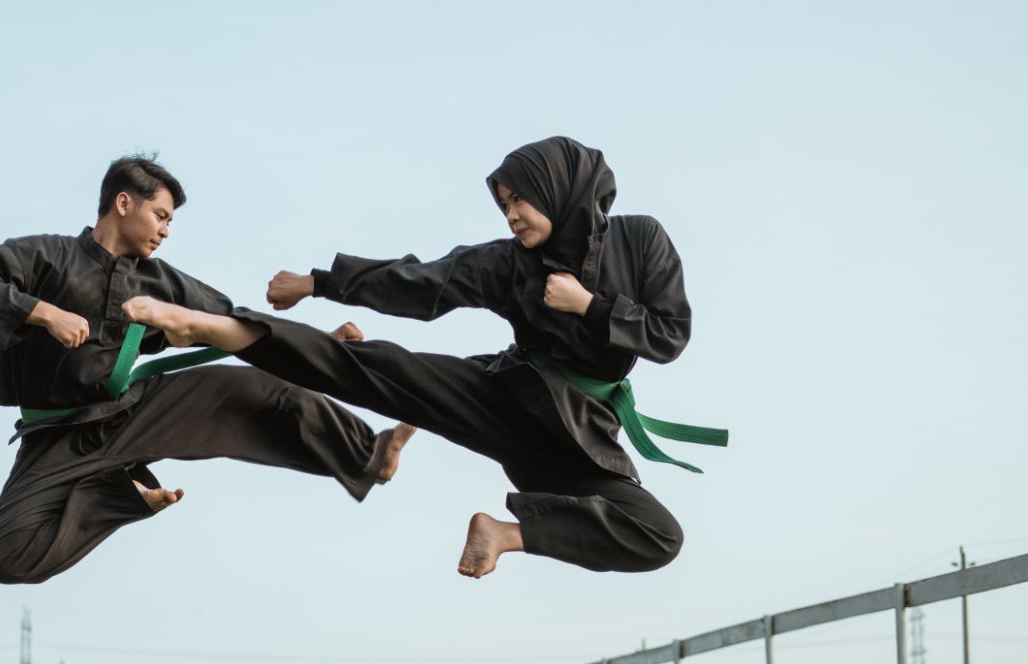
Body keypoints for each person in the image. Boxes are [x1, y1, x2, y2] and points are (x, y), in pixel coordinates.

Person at [123, 137, 720, 578]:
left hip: (578, 436)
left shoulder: (641, 239)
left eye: (519, 200)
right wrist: (319, 283)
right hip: (512, 396)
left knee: (659, 536)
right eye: (504, 205)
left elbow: (670, 334)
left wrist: (588, 305)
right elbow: (422, 283)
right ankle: (217, 329)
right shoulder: (510, 263)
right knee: (376, 369)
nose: (511, 215)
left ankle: (506, 534)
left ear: (557, 189)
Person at [0, 156, 411, 584]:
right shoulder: (47, 255)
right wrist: (46, 314)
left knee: (255, 391)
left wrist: (318, 341)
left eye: (170, 221)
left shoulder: (160, 281)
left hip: (134, 412)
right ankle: (117, 494)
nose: (166, 231)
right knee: (4, 556)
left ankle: (371, 453)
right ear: (123, 203)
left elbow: (234, 323)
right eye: (161, 216)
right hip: (56, 435)